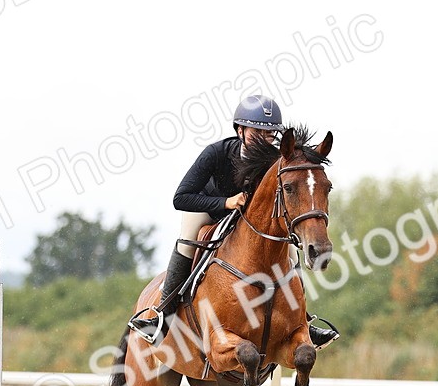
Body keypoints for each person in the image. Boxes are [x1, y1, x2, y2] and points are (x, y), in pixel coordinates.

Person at [128, 95, 340, 349]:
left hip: (249, 221)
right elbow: (181, 197)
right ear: (240, 130)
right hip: (208, 209)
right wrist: (225, 202)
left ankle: (302, 321)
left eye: (270, 134)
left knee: (291, 252)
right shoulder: (216, 153)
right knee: (186, 244)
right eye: (257, 132)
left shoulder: (278, 161)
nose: (264, 139)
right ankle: (162, 316)